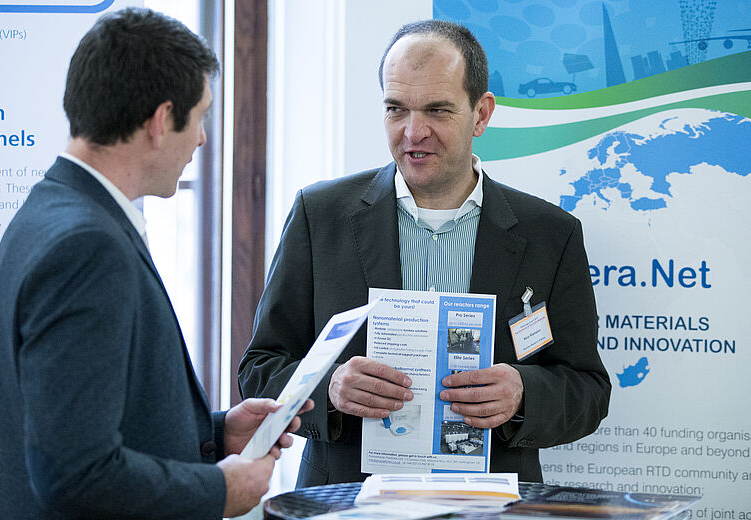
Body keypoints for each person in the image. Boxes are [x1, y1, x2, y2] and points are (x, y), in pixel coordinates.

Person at [238, 20, 610, 486]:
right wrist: (329, 387)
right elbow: (260, 368)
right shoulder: (320, 216)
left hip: (489, 506)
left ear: (481, 114)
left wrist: (523, 393)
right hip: (347, 504)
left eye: (437, 110)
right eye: (396, 109)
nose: (414, 132)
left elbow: (588, 391)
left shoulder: (550, 234)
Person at [0, 8, 310, 519]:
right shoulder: (87, 247)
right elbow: (75, 474)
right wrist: (217, 492)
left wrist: (217, 433)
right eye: (200, 117)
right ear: (160, 121)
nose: (202, 139)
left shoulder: (48, 209)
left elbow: (86, 419)